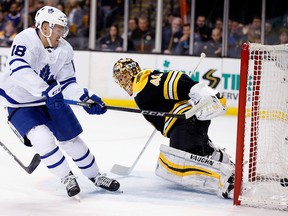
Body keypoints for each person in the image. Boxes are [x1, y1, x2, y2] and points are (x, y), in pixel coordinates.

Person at [0, 6, 120, 198]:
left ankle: (96, 176)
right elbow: (19, 69)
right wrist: (46, 90)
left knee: (71, 139)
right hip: (20, 102)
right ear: (45, 27)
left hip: (49, 98)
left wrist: (85, 97)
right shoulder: (26, 39)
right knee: (41, 137)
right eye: (59, 29)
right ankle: (67, 177)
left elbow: (67, 83)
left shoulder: (65, 49)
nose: (63, 33)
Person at [112, 58, 235, 199]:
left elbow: (174, 80)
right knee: (196, 151)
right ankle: (221, 159)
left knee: (175, 166)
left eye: (123, 77)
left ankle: (226, 182)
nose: (122, 82)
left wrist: (204, 92)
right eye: (119, 79)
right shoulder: (144, 83)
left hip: (184, 124)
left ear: (132, 71)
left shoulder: (144, 83)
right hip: (188, 124)